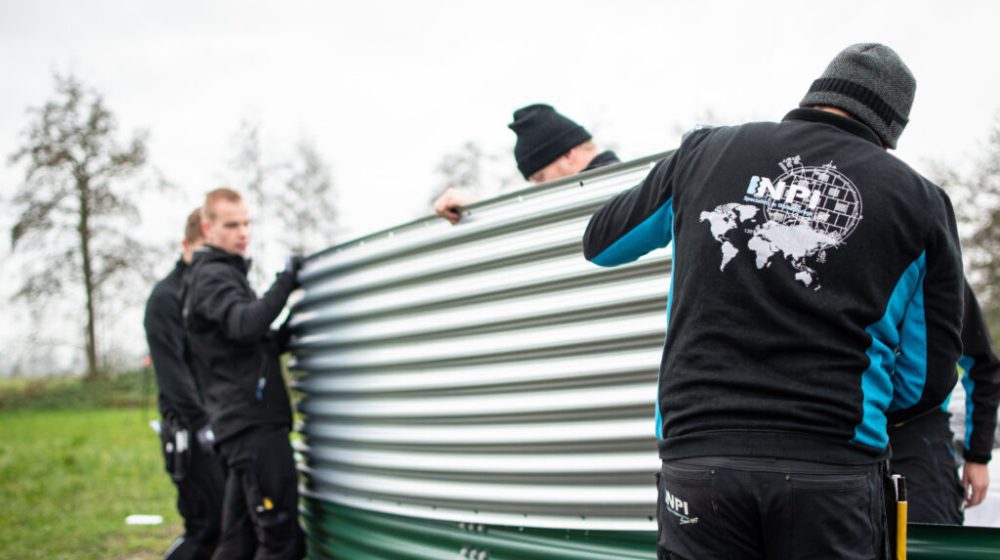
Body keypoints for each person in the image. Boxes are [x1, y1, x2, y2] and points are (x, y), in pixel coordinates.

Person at [582, 43, 963, 559]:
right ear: (891, 132)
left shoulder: (704, 152)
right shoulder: (919, 199)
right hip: (833, 467)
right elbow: (927, 379)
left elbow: (602, 244)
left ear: (815, 95)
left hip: (699, 452)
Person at [183, 188, 306, 560]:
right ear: (208, 228)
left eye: (247, 223)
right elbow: (244, 325)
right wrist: (287, 280)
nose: (243, 233)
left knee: (239, 542)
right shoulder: (212, 277)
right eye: (232, 224)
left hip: (242, 427)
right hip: (252, 428)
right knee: (280, 540)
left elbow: (253, 344)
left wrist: (292, 326)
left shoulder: (222, 274)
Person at [144, 208, 225, 560]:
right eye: (202, 250)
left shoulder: (209, 294)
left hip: (221, 423)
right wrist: (202, 425)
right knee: (206, 527)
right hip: (189, 432)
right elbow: (173, 374)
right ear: (186, 245)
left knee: (229, 525)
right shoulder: (166, 299)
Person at [888, 281, 1000, 524]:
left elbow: (983, 366)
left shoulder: (940, 264)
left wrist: (978, 457)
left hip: (919, 428)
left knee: (929, 524)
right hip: (845, 424)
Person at [434, 103, 620, 224]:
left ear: (568, 156)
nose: (539, 189)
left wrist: (479, 208)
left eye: (541, 178)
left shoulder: (611, 185)